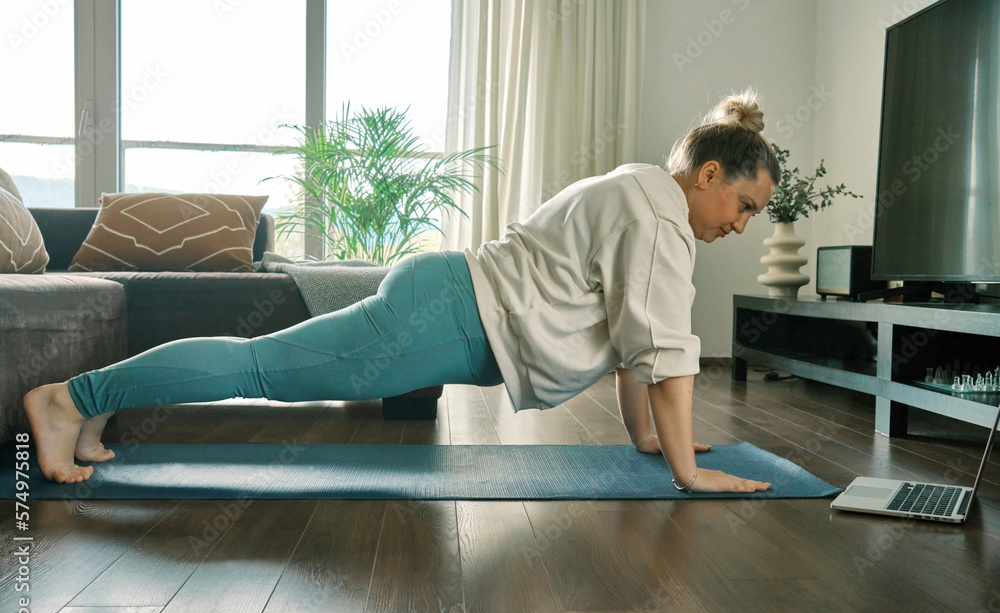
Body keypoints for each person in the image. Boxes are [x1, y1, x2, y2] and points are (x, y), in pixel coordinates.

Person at [25, 89, 779, 491]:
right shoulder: (660, 218)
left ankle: (93, 404)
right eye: (744, 206)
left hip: (442, 299)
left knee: (259, 362)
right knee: (259, 368)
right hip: (442, 317)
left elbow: (630, 346)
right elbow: (668, 360)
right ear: (709, 175)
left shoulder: (636, 191)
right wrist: (688, 473)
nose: (742, 225)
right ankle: (69, 399)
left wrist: (647, 439)